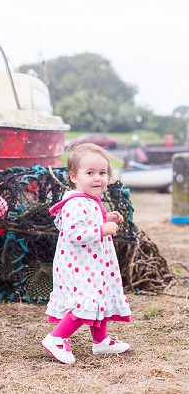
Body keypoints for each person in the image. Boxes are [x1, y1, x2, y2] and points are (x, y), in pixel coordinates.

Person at [41, 143, 132, 364]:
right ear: (73, 176)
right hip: (78, 266)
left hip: (94, 264)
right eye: (90, 173)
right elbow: (73, 233)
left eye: (102, 173)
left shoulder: (90, 201)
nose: (97, 178)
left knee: (98, 297)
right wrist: (101, 229)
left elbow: (88, 223)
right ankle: (57, 338)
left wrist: (106, 219)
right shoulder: (74, 203)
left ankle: (100, 342)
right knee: (86, 302)